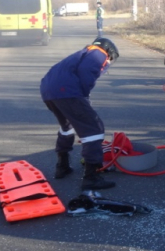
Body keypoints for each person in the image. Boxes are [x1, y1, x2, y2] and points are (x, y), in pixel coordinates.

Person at [40, 37, 120, 191]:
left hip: (48, 91)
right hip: (67, 91)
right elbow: (86, 73)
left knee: (67, 126)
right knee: (94, 129)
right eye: (110, 60)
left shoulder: (82, 53)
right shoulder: (98, 53)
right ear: (109, 52)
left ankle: (62, 166)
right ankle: (91, 177)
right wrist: (84, 97)